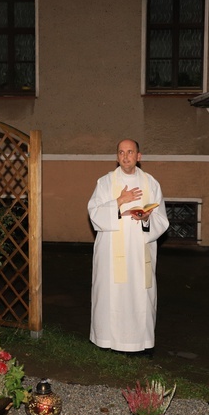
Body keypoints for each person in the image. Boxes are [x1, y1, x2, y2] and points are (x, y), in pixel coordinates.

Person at [87, 139, 169, 355]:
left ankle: (140, 344)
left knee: (140, 295)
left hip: (139, 252)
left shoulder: (151, 183)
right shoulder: (105, 183)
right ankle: (107, 341)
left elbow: (162, 219)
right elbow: (94, 214)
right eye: (121, 152)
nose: (125, 156)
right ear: (117, 157)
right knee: (111, 294)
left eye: (130, 152)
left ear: (138, 156)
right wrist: (118, 202)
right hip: (111, 254)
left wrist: (146, 219)